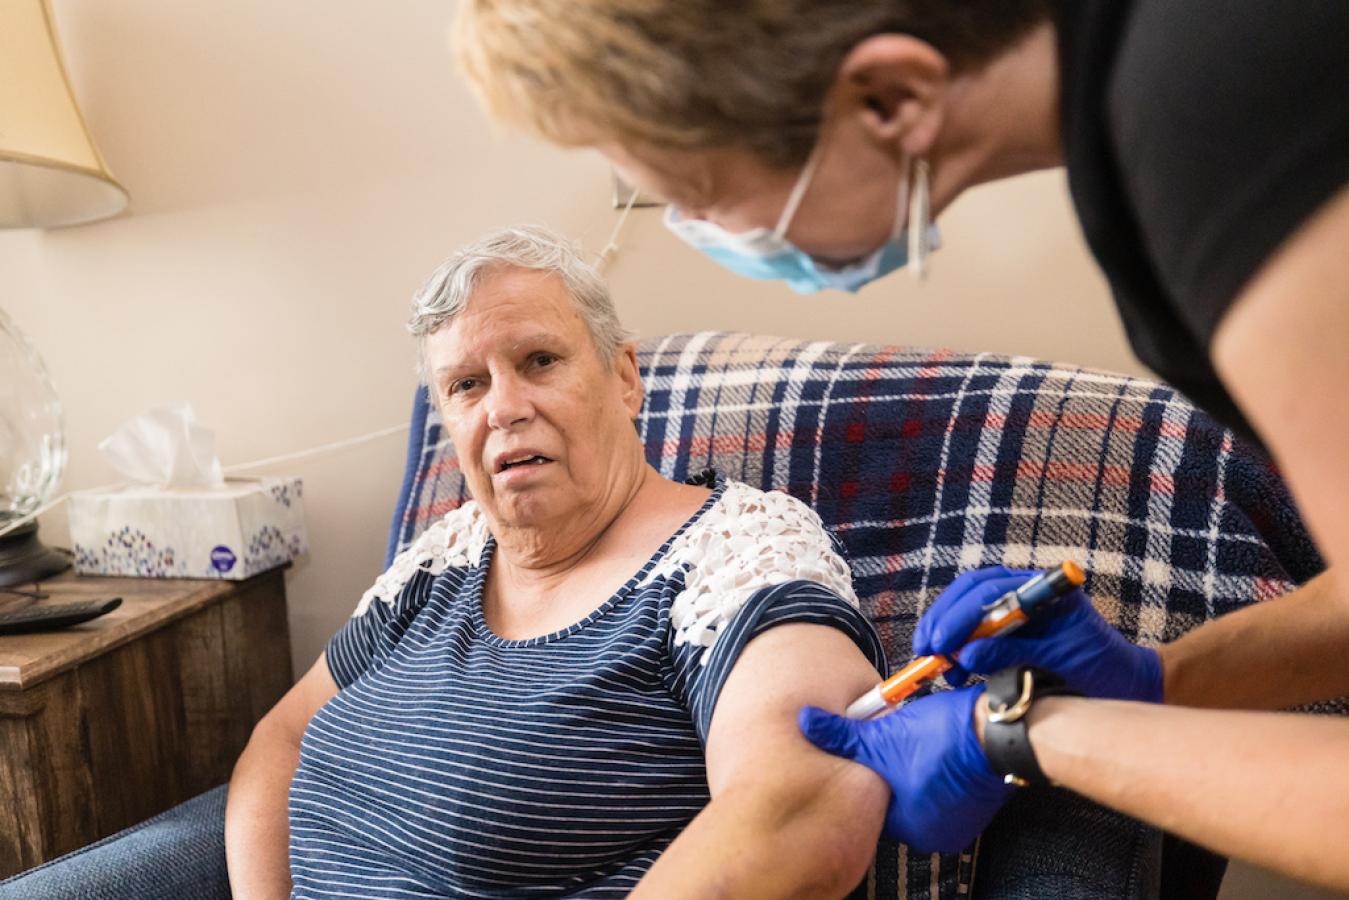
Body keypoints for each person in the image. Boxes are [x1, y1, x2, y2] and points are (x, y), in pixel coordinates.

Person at [451, 1, 1349, 890]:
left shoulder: (1220, 108)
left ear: (887, 98)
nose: (709, 233)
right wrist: (1158, 677)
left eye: (703, 195)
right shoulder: (1172, 72)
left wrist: (1028, 732)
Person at [223, 225, 891, 898]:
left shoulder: (735, 552)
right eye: (466, 384)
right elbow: (280, 739)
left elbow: (803, 804)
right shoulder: (445, 555)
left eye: (540, 360)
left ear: (623, 378)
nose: (504, 408)